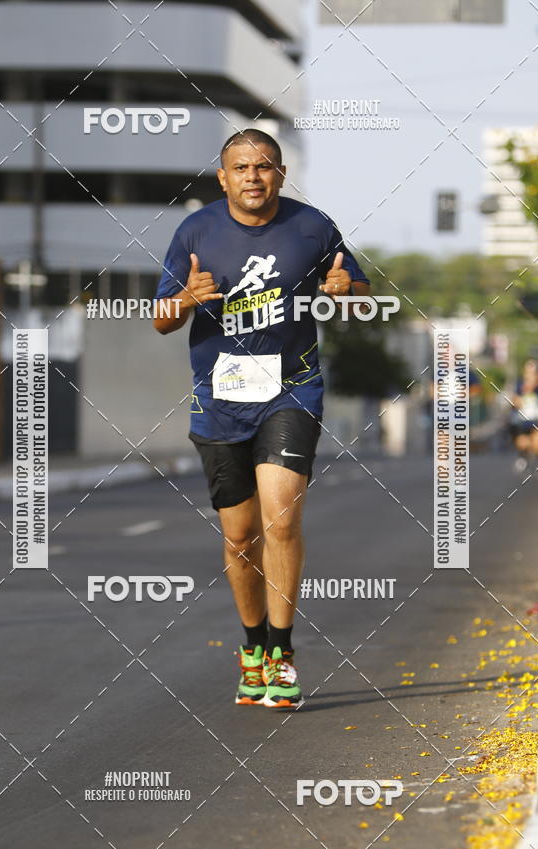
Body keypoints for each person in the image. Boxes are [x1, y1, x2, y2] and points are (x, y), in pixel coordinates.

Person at [153, 128, 370, 708]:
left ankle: (281, 650)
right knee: (240, 536)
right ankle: (251, 647)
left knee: (280, 520)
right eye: (241, 167)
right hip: (219, 397)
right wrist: (186, 301)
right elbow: (160, 319)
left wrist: (344, 290)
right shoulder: (194, 231)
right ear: (222, 178)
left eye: (265, 166)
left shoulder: (312, 226)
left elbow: (358, 291)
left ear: (280, 173)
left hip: (291, 390)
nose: (253, 176)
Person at [510, 359, 538, 472]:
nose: (528, 377)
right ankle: (524, 455)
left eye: (532, 373)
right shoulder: (519, 386)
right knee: (522, 443)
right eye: (526, 373)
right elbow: (514, 403)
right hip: (523, 423)